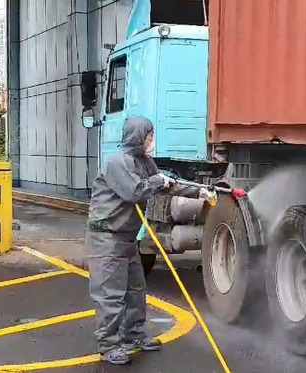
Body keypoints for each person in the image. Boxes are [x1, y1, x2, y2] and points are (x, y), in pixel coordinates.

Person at [85, 116, 217, 365]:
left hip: (126, 239)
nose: (152, 141)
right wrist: (159, 181)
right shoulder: (116, 163)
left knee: (136, 290)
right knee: (110, 295)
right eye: (149, 136)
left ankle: (133, 334)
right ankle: (109, 345)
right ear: (138, 136)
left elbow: (168, 185)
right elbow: (135, 191)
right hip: (106, 239)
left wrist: (198, 191)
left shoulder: (145, 162)